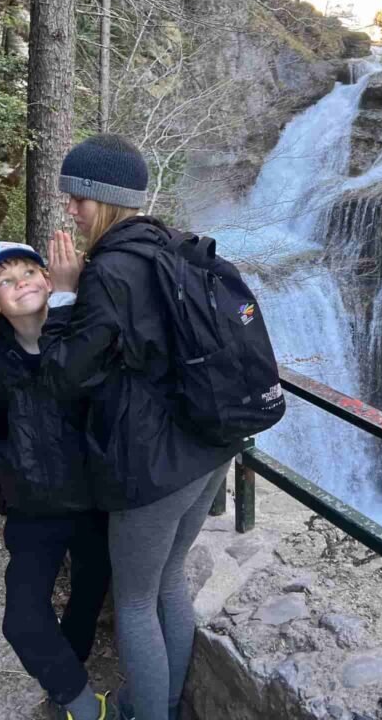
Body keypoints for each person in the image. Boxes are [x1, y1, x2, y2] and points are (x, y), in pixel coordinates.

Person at [37, 134, 238, 720]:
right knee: (169, 582)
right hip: (208, 448)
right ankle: (165, 705)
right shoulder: (172, 244)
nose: (70, 209)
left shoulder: (111, 271)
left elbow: (66, 377)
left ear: (105, 199)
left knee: (133, 603)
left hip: (153, 466)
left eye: (77, 198)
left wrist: (66, 297)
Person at [0, 241, 112, 720]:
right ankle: (85, 706)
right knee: (23, 620)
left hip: (93, 502)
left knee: (89, 594)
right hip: (33, 511)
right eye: (5, 281)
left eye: (30, 271)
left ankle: (65, 687)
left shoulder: (81, 342)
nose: (22, 282)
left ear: (51, 280)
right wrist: (8, 490)